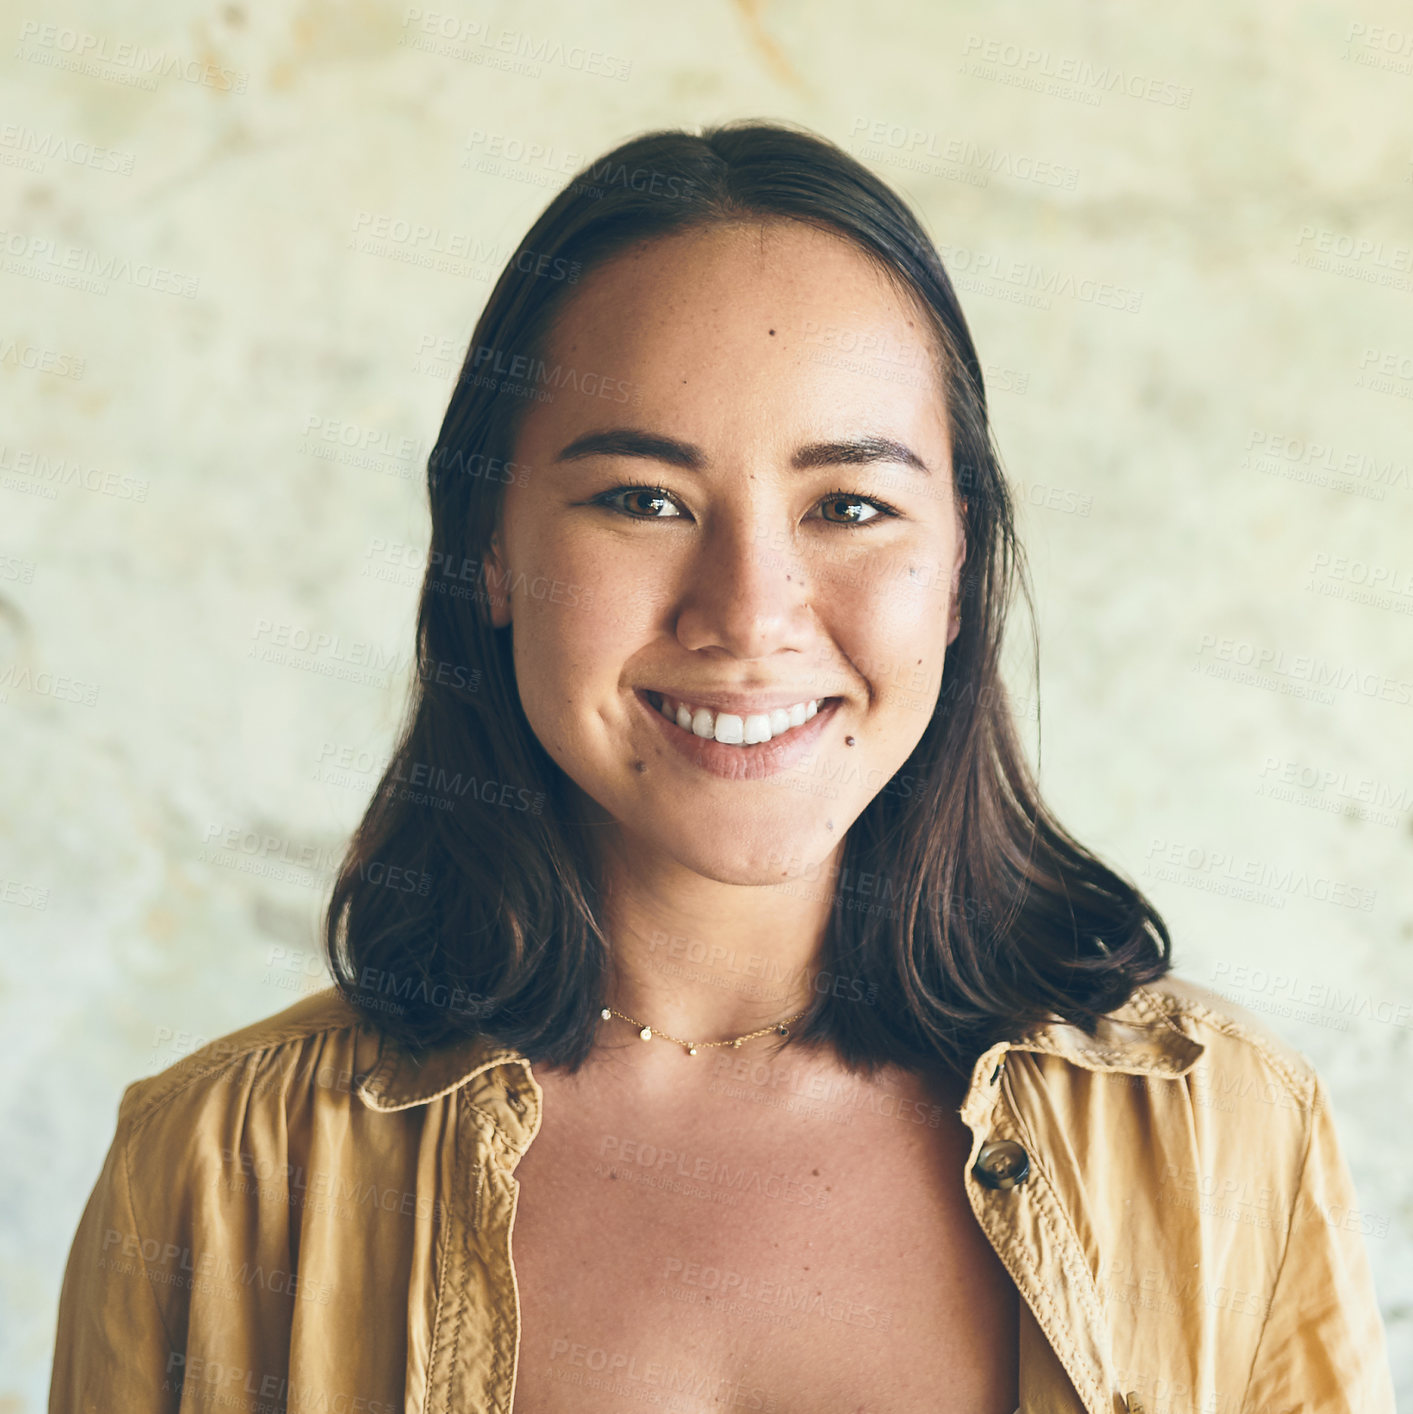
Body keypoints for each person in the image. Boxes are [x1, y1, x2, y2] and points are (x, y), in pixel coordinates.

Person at [48, 120, 1395, 1414]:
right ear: (490, 551)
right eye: (643, 499)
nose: (748, 612)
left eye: (848, 506)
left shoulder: (1223, 1138)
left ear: (959, 565)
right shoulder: (217, 1175)